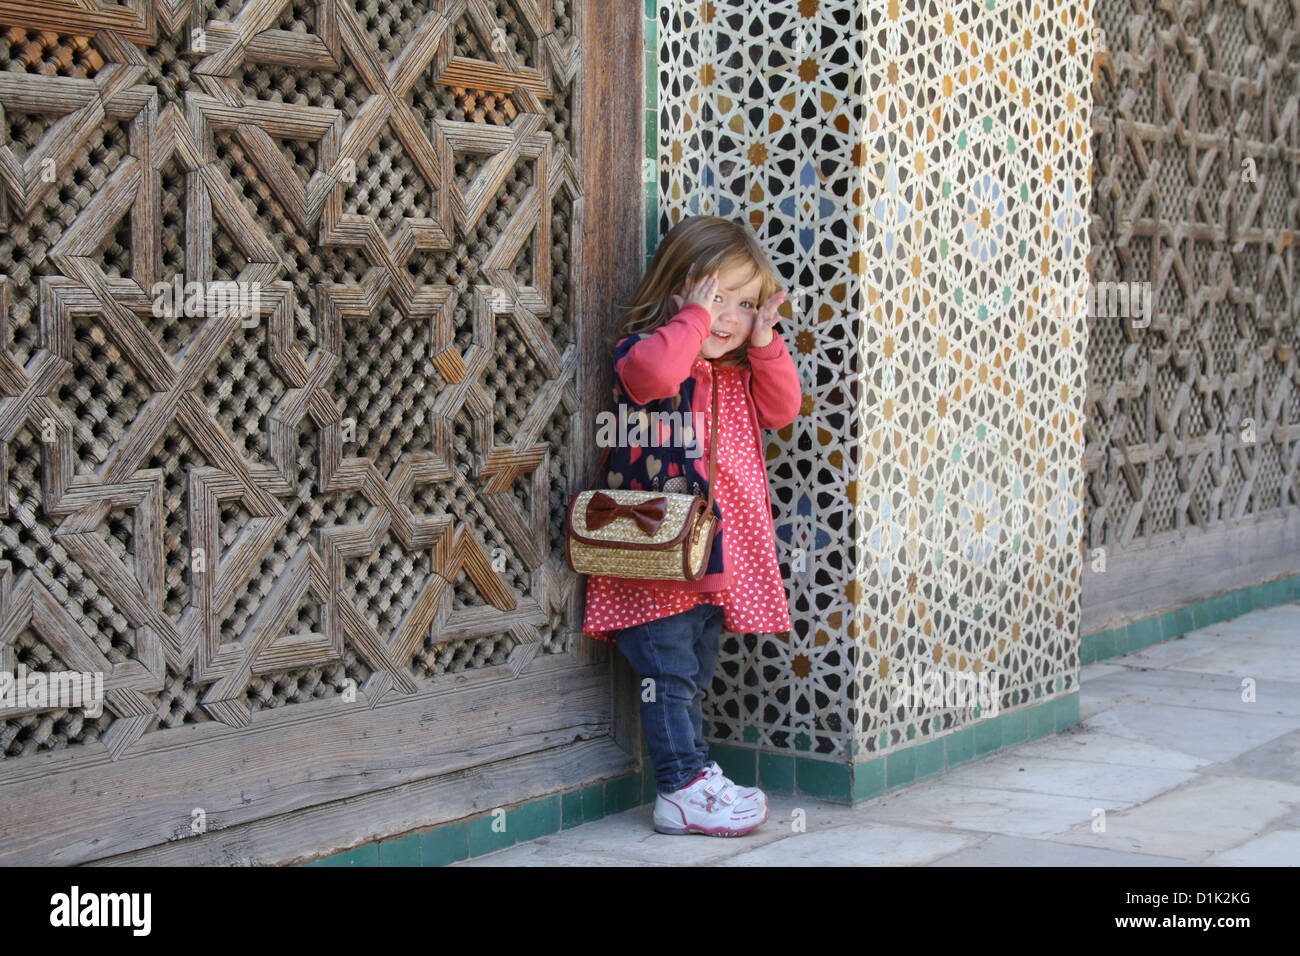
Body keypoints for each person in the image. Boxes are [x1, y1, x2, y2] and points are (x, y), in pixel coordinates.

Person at [581, 216, 803, 836]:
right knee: (669, 671)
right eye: (715, 297)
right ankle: (680, 785)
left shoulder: (736, 373)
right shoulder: (649, 352)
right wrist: (694, 323)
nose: (727, 316)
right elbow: (651, 377)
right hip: (656, 556)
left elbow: (784, 410)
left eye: (745, 303)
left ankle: (696, 775)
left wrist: (763, 344)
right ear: (676, 291)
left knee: (694, 670)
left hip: (713, 558)